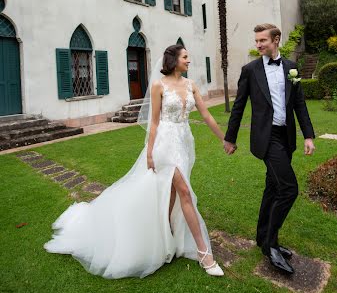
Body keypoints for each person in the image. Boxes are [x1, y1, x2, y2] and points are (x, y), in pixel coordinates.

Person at [44, 45, 225, 278]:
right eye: (185, 57)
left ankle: (166, 230)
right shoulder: (159, 85)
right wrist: (150, 153)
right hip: (164, 145)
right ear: (174, 60)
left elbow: (206, 115)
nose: (189, 61)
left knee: (171, 191)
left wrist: (225, 139)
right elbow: (155, 122)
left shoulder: (191, 85)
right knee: (185, 193)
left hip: (183, 143)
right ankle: (204, 254)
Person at [224, 23, 315, 275]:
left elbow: (299, 104)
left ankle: (262, 237)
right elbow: (239, 106)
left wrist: (308, 135)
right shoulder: (250, 70)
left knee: (273, 187)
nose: (258, 45)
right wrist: (230, 138)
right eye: (256, 41)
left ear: (276, 40)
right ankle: (271, 245)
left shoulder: (291, 68)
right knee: (288, 189)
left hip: (285, 138)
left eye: (263, 40)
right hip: (267, 139)